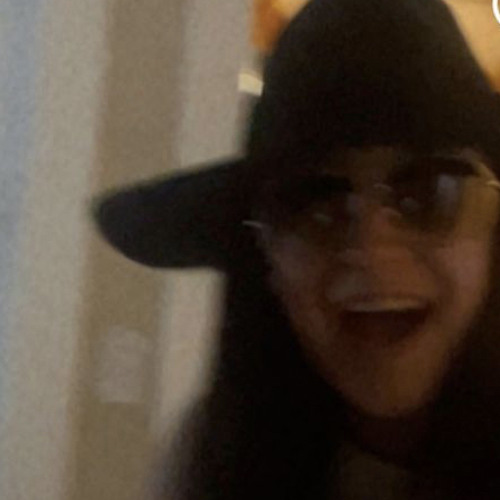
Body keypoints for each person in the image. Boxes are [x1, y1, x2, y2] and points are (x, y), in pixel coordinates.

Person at [95, 0, 500, 498]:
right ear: (265, 254)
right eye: (315, 205)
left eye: (432, 195)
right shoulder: (206, 459)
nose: (373, 253)